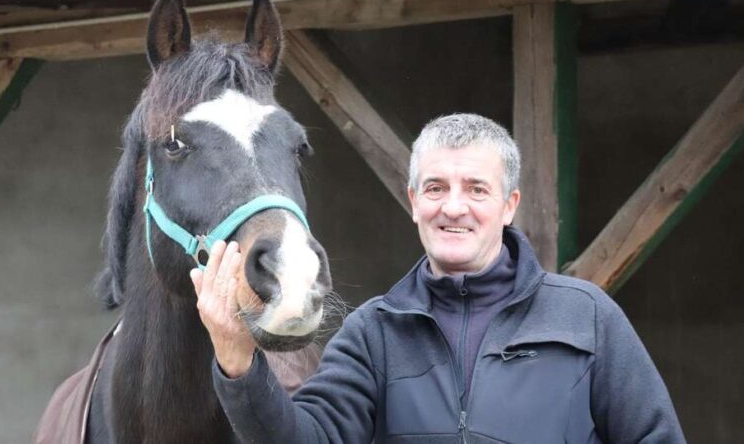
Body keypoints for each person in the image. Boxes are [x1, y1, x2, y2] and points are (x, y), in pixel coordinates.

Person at [191, 113, 685, 443]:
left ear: (508, 206)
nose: (453, 207)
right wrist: (237, 362)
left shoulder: (586, 317)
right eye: (435, 187)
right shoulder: (372, 334)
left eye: (475, 188)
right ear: (413, 203)